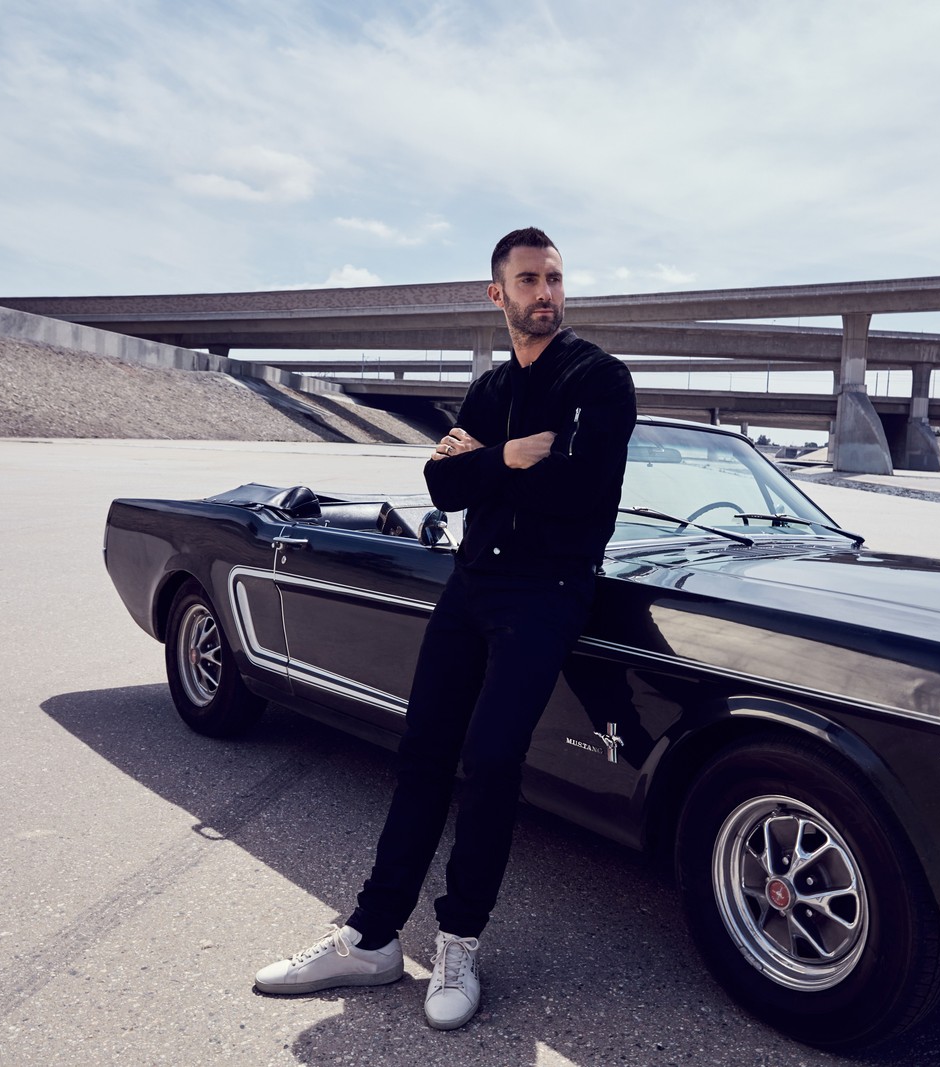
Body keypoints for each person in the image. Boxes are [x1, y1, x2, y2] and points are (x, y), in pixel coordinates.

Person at [254, 227, 637, 1031]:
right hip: (471, 586)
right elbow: (441, 485)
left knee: (491, 761)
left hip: (550, 591)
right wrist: (512, 455)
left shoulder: (600, 379)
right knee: (422, 749)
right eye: (529, 280)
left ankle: (459, 940)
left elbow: (582, 490)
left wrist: (486, 461)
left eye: (556, 278)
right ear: (497, 293)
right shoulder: (493, 390)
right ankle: (371, 938)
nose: (547, 293)